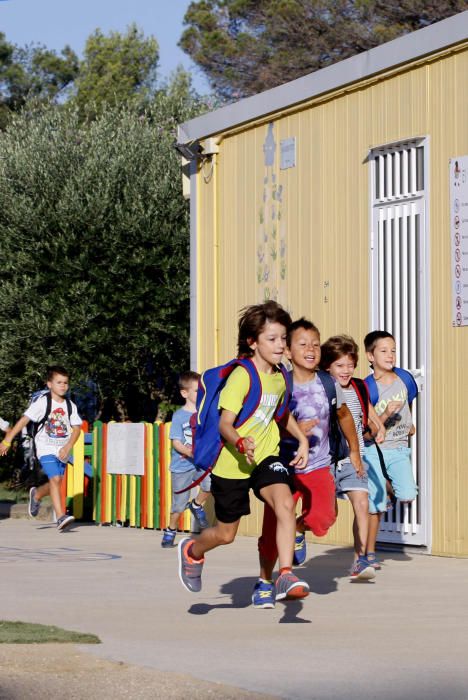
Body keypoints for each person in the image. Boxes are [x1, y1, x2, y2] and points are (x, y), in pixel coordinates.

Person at [177, 301, 310, 609]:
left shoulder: (280, 377)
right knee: (225, 534)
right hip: (233, 463)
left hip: (266, 457)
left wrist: (302, 439)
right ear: (253, 341)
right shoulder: (242, 376)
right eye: (272, 339)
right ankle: (192, 551)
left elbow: (279, 414)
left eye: (283, 338)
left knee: (286, 503)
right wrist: (239, 442)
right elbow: (225, 423)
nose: (280, 345)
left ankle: (286, 574)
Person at [258, 319, 362, 581]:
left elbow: (344, 415)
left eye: (315, 344)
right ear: (289, 352)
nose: (311, 349)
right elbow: (263, 424)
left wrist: (354, 450)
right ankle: (266, 581)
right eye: (303, 344)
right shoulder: (280, 384)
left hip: (317, 465)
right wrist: (292, 430)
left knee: (324, 518)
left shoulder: (328, 383)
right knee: (272, 532)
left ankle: (299, 529)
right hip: (283, 469)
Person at [320, 334, 385, 580]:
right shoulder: (322, 387)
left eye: (350, 364)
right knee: (326, 516)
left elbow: (365, 413)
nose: (346, 370)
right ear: (328, 366)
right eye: (340, 365)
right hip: (326, 461)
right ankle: (297, 532)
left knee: (362, 504)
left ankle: (360, 560)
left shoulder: (358, 386)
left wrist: (378, 427)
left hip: (354, 459)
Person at [0, 366, 82, 531]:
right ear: (49, 384)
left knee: (56, 481)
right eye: (59, 382)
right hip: (45, 447)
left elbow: (77, 429)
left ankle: (36, 495)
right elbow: (24, 420)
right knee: (56, 480)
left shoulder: (70, 405)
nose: (63, 386)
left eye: (65, 383)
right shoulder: (42, 403)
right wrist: (8, 438)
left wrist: (68, 446)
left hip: (63, 449)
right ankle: (61, 517)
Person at [363, 330, 418, 570]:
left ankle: (388, 490)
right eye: (384, 351)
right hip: (374, 447)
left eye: (393, 350)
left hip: (398, 447)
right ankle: (369, 553)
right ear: (370, 356)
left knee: (407, 494)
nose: (390, 355)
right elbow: (366, 431)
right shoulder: (367, 388)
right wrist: (385, 415)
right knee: (375, 507)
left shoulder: (405, 379)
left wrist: (409, 422)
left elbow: (409, 402)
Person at [161, 371, 211, 548]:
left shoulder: (205, 413)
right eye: (197, 391)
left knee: (210, 485)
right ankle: (171, 529)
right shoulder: (179, 416)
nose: (201, 394)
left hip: (201, 461)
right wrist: (189, 452)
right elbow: (176, 442)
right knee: (179, 504)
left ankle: (197, 505)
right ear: (185, 393)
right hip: (182, 464)